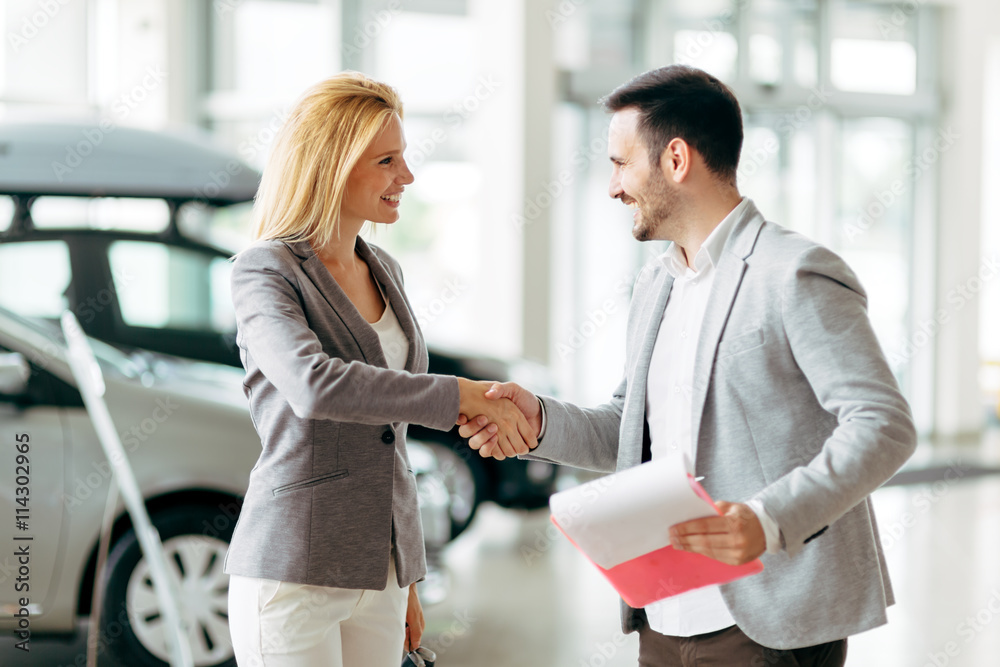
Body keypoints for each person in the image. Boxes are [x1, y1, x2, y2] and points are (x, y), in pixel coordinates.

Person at [460, 65, 916, 666]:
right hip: (664, 613)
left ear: (675, 159)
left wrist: (768, 520)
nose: (612, 186)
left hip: (768, 621)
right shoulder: (657, 284)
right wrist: (538, 421)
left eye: (621, 163)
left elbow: (883, 424)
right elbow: (631, 427)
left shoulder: (794, 273)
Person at [224, 72, 537, 667]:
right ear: (332, 166)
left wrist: (406, 574)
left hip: (381, 573)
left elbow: (389, 440)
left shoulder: (384, 266)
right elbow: (314, 385)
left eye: (404, 157)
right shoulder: (264, 271)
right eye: (387, 160)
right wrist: (461, 395)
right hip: (294, 570)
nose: (408, 177)